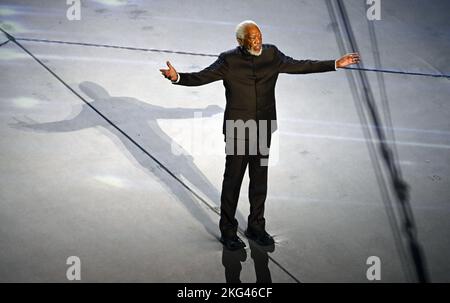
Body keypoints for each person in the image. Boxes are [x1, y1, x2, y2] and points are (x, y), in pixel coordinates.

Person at [160, 20, 360, 250]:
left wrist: (335, 63)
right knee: (233, 182)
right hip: (238, 130)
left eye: (259, 36)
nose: (257, 41)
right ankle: (227, 231)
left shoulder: (271, 54)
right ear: (240, 41)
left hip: (263, 128)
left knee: (259, 180)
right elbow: (202, 77)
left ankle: (256, 226)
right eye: (252, 38)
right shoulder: (229, 60)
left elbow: (301, 65)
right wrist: (178, 77)